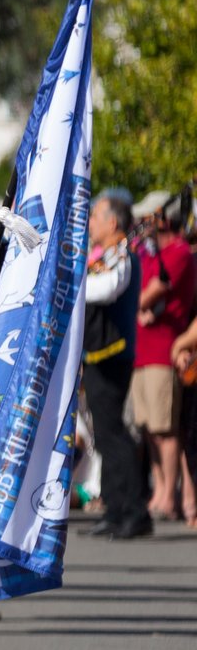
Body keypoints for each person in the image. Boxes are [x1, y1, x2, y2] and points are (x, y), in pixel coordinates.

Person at [79, 191, 146, 539]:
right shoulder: (106, 253)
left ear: (113, 223)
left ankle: (134, 511)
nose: (90, 223)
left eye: (95, 217)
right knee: (105, 436)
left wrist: (71, 283)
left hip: (112, 354)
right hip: (97, 354)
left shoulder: (122, 253)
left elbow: (107, 289)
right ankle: (115, 509)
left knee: (113, 435)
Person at [131, 194, 191, 521]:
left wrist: (140, 304)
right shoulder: (154, 253)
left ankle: (170, 494)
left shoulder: (179, 252)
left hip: (164, 350)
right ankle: (160, 488)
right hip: (144, 350)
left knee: (165, 428)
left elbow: (149, 294)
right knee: (150, 428)